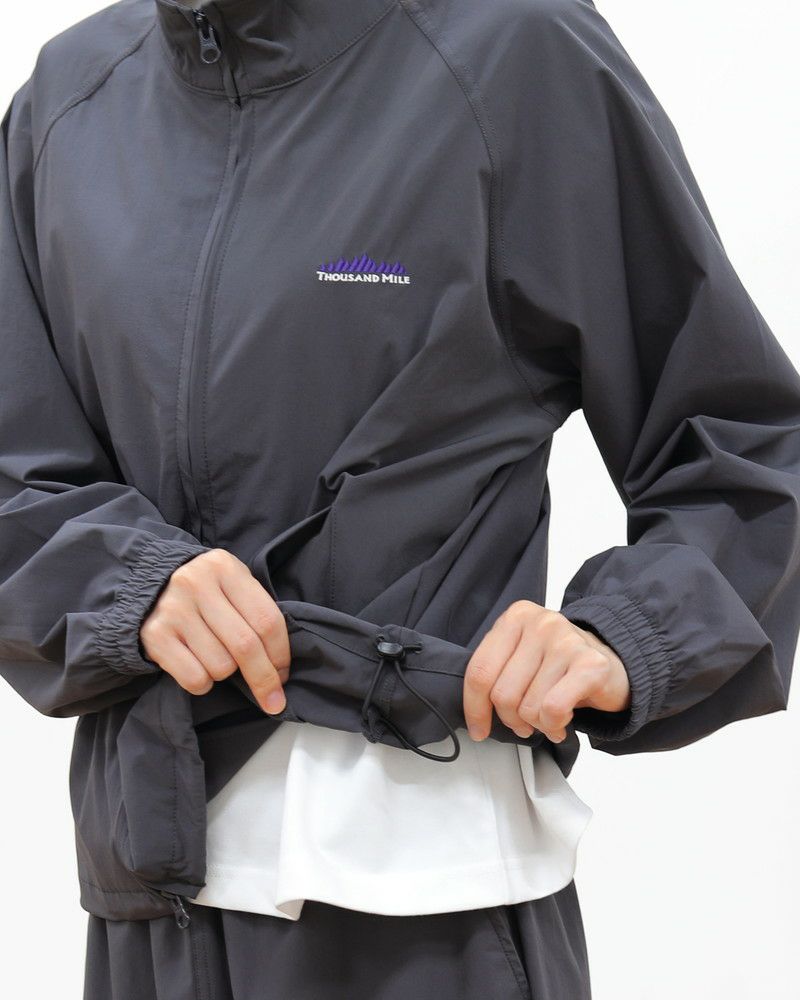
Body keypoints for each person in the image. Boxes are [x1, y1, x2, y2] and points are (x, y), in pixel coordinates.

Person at [1, 1, 798, 998]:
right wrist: (127, 583)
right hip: (151, 886)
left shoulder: (512, 50)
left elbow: (742, 435)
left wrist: (629, 630)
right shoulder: (71, 100)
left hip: (430, 894)